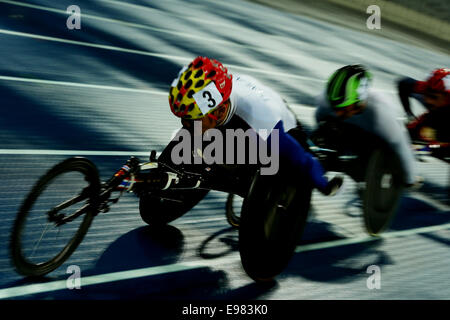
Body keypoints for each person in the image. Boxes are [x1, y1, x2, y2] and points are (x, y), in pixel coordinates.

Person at [167, 56, 342, 196]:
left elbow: (301, 159)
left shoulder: (262, 120)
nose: (186, 125)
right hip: (249, 97)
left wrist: (324, 185)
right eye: (184, 119)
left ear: (219, 111)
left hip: (282, 123)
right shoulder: (211, 100)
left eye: (192, 120)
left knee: (296, 161)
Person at [315, 64, 419, 187]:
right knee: (326, 129)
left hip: (371, 142)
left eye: (342, 108)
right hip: (345, 131)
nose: (337, 112)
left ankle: (359, 166)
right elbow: (318, 126)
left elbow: (401, 146)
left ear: (359, 101)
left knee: (377, 153)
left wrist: (409, 179)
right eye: (335, 106)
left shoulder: (381, 113)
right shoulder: (325, 100)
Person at [397, 68, 450, 147]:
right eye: (426, 94)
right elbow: (403, 83)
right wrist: (408, 113)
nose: (428, 101)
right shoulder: (426, 87)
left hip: (443, 113)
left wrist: (434, 146)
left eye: (433, 97)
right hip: (438, 110)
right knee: (409, 133)